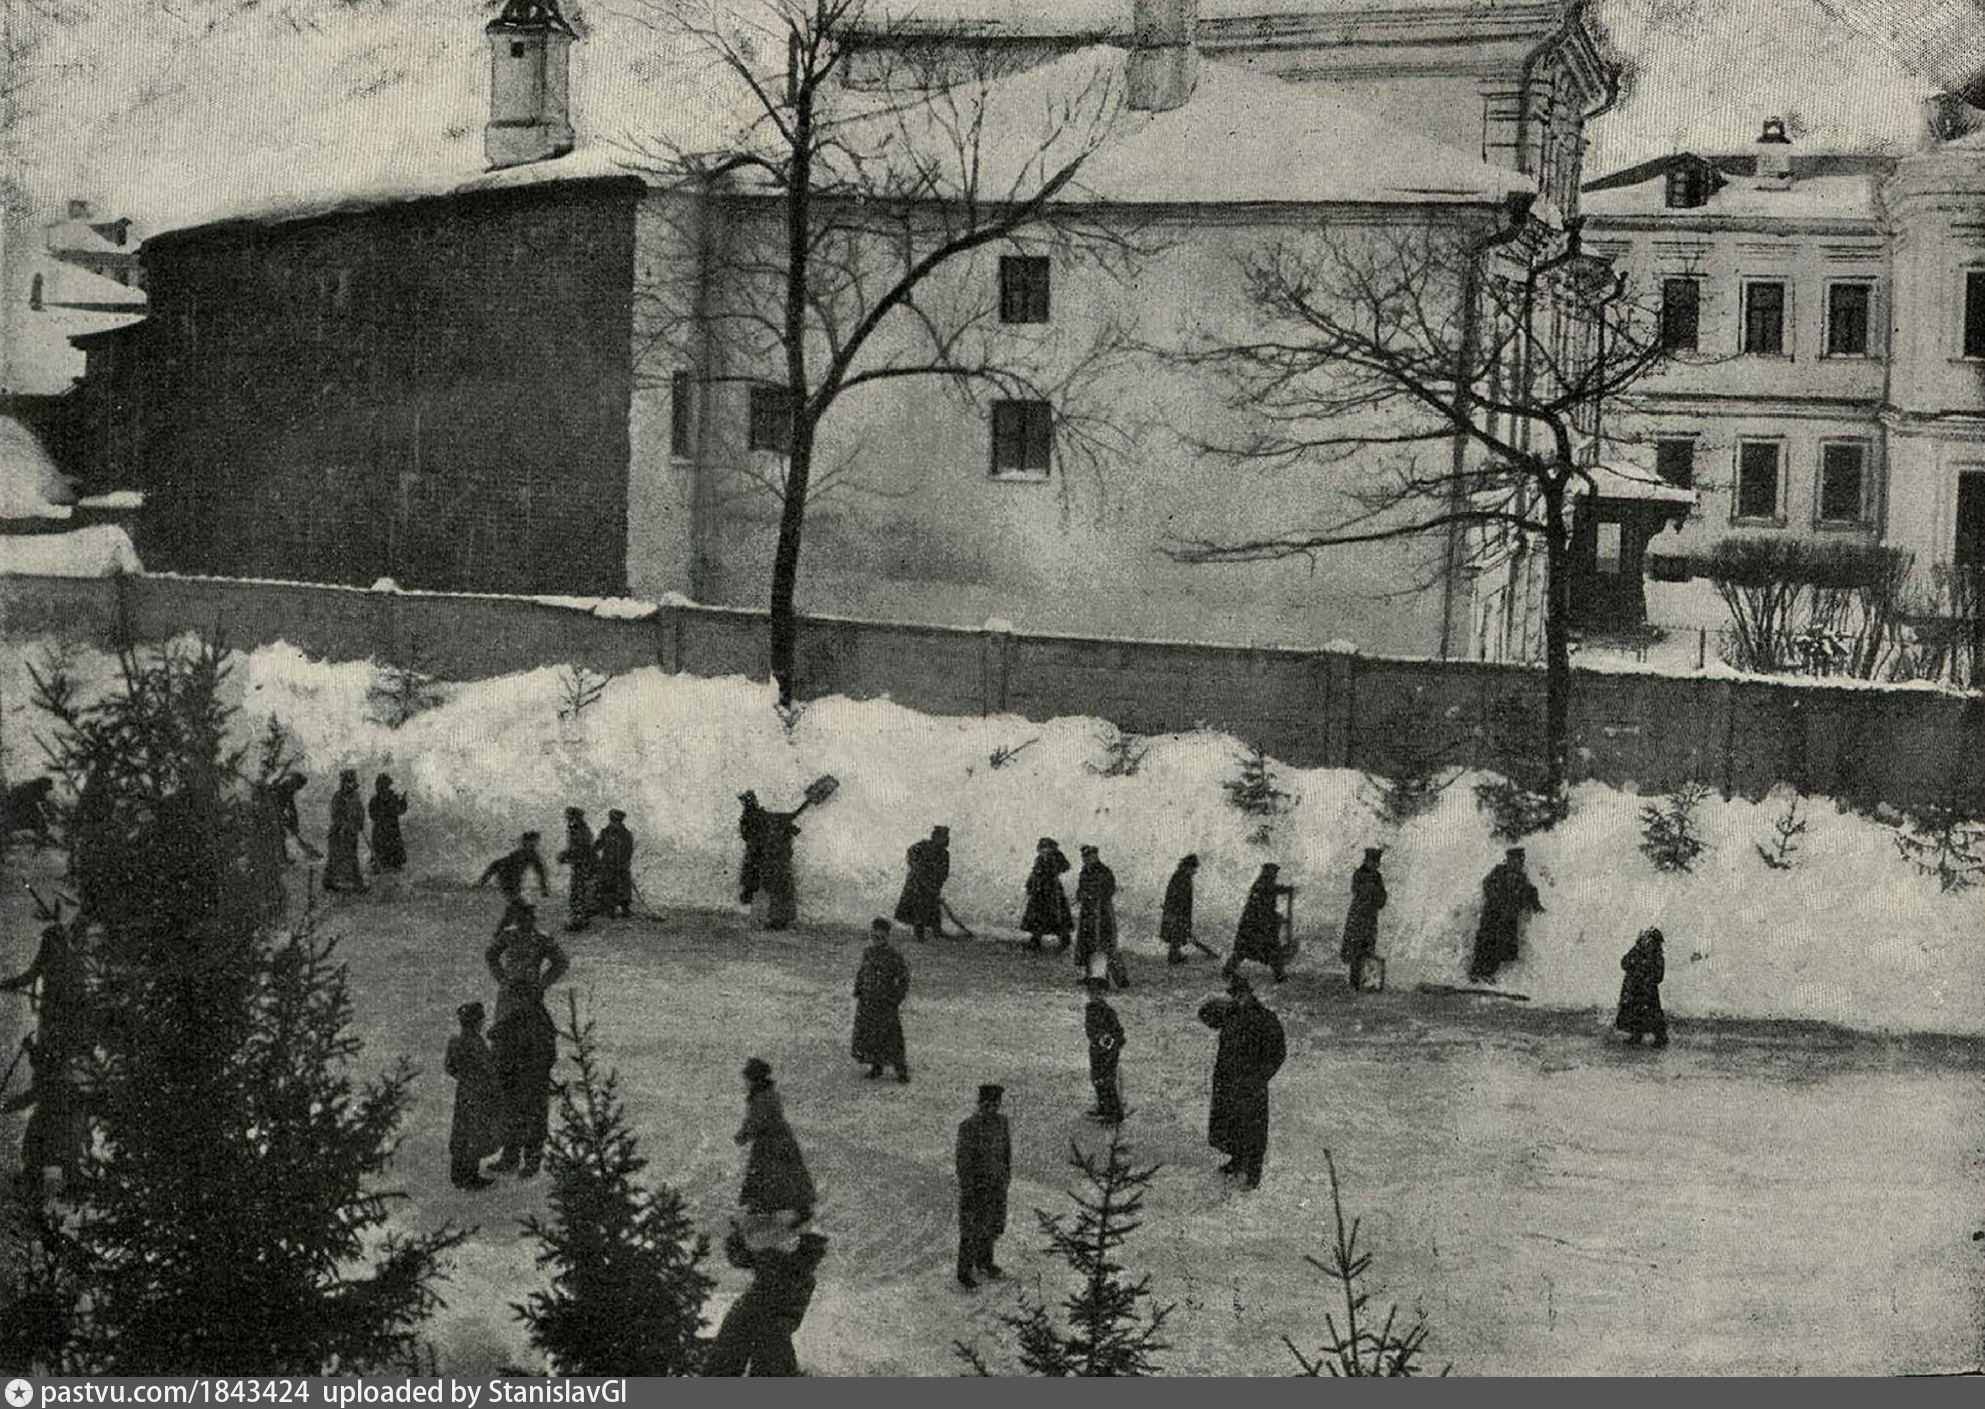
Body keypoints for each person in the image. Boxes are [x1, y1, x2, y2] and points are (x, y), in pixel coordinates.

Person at [484, 910, 570, 1177]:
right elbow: (491, 956)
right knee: (509, 1100)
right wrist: (504, 979)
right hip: (512, 1061)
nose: (522, 927)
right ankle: (510, 1155)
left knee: (532, 1105)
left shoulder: (536, 1013)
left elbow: (560, 962)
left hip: (531, 1067)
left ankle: (531, 1159)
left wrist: (541, 984)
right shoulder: (507, 1011)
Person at [704, 1213, 829, 1376]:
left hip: (762, 1325)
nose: (815, 1257)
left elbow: (742, 1258)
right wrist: (737, 1236)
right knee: (730, 1364)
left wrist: (737, 1237)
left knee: (733, 1364)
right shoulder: (789, 1267)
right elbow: (743, 1258)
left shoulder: (794, 1272)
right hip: (755, 1321)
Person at [1199, 974, 1287, 1190]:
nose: (1238, 999)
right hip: (1228, 1081)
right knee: (1230, 1124)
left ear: (1250, 994)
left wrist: (1261, 1075)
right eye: (1234, 995)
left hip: (1250, 1084)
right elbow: (1205, 1016)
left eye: (1241, 995)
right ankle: (1236, 1160)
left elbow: (1278, 1052)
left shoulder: (1265, 1018)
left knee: (1252, 1128)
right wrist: (1219, 1004)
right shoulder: (1231, 1014)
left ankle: (1253, 1173)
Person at [736, 1058, 816, 1222]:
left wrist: (744, 1134)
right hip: (777, 1139)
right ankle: (769, 1206)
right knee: (782, 1175)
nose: (746, 1083)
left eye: (748, 1079)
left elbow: (758, 1120)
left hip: (772, 1142)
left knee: (773, 1175)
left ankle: (767, 1207)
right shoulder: (764, 1094)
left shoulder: (762, 1097)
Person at [954, 1084, 1012, 1289]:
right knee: (971, 1229)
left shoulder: (1002, 1123)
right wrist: (968, 1187)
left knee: (992, 1225)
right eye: (987, 1105)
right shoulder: (968, 1126)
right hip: (976, 1187)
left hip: (996, 1184)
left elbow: (1006, 1153)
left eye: (995, 1105)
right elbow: (963, 1160)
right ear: (980, 1105)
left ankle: (985, 1261)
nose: (991, 1109)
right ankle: (964, 1272)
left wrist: (1005, 1177)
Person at [444, 1001, 504, 1189]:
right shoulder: (476, 1043)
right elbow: (489, 1070)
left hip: (464, 1092)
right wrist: (495, 1091)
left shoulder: (457, 1041)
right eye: (481, 1019)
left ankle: (457, 1174)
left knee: (462, 1132)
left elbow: (449, 1067)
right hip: (479, 1095)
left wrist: (464, 1078)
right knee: (474, 1134)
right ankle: (470, 1178)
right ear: (476, 1021)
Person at [1469, 846, 1544, 983]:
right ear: (1509, 860)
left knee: (1500, 948)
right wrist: (1498, 900)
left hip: (1507, 919)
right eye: (1516, 860)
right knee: (1485, 944)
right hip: (1492, 916)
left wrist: (1537, 907)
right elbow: (1487, 886)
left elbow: (1530, 892)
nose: (1519, 863)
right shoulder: (1498, 872)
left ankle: (1488, 975)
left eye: (1521, 860)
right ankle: (1475, 975)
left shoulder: (1522, 878)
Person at [851, 919, 911, 1082]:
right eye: (874, 937)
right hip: (868, 1001)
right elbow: (862, 971)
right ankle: (876, 1066)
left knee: (891, 1036)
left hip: (885, 1002)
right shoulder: (868, 952)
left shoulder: (894, 956)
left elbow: (904, 979)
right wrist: (859, 988)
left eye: (881, 938)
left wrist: (896, 998)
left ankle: (901, 1070)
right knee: (871, 1035)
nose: (877, 941)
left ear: (887, 937)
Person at [1225, 862, 1293, 984]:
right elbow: (1264, 906)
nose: (1275, 876)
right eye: (1273, 873)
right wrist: (1275, 917)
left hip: (1253, 925)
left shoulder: (1262, 884)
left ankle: (1228, 970)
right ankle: (1279, 975)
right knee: (1272, 951)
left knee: (1243, 951)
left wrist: (1284, 890)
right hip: (1259, 926)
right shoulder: (1264, 885)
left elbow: (1272, 890)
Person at [1074, 845, 1126, 988]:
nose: (1086, 860)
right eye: (1084, 857)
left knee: (1102, 943)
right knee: (1086, 943)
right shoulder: (1084, 872)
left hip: (1102, 912)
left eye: (1089, 857)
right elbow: (1080, 889)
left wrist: (1094, 896)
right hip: (1087, 913)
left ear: (1096, 856)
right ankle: (1088, 975)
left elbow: (1110, 889)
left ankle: (1101, 977)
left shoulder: (1104, 871)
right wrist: (1081, 895)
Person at [479, 832, 551, 933]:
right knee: (518, 905)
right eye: (530, 842)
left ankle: (505, 929)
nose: (533, 845)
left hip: (513, 882)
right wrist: (483, 880)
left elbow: (540, 872)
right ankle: (504, 930)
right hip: (506, 880)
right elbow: (496, 864)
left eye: (534, 842)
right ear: (524, 842)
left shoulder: (531, 854)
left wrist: (544, 887)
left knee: (517, 905)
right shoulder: (520, 854)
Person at [1340, 847, 1388, 992]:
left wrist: (1377, 897)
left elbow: (1382, 898)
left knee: (1368, 949)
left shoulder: (1377, 876)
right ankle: (1355, 983)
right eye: (1372, 862)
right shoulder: (1359, 874)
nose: (1374, 865)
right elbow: (1358, 891)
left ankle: (1365, 982)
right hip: (1358, 917)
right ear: (1367, 861)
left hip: (1370, 918)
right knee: (1355, 950)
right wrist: (1373, 893)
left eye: (1376, 863)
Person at [894, 825, 952, 942]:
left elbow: (944, 873)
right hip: (916, 885)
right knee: (918, 910)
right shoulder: (923, 846)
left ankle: (937, 933)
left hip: (931, 886)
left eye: (946, 837)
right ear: (935, 837)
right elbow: (910, 853)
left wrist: (936, 887)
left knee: (934, 910)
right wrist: (914, 866)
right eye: (942, 836)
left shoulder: (945, 854)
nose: (945, 839)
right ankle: (920, 936)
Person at [751, 803, 804, 931]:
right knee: (779, 887)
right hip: (777, 862)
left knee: (779, 887)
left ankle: (776, 919)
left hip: (777, 861)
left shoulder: (773, 829)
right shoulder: (775, 832)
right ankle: (776, 919)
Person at [1615, 927, 1669, 1047]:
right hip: (1635, 990)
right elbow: (1624, 963)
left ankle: (1660, 1037)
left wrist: (1648, 979)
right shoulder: (1637, 952)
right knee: (1634, 1013)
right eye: (1646, 940)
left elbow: (1659, 976)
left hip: (1647, 991)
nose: (1648, 943)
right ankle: (1636, 1035)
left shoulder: (1656, 956)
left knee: (1652, 1015)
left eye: (1650, 940)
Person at [1021, 837, 1073, 953]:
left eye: (1047, 848)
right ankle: (1036, 940)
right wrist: (1029, 885)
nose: (1044, 850)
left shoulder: (1056, 857)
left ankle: (1064, 939)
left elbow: (1065, 867)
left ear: (1051, 848)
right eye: (1042, 848)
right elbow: (1034, 873)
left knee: (1057, 916)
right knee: (1037, 916)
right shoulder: (1039, 859)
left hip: (1052, 892)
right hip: (1039, 892)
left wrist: (1054, 866)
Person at [1084, 983, 1126, 1125]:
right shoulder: (1090, 1010)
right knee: (1097, 1079)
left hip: (1108, 1052)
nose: (1095, 996)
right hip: (1096, 1051)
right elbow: (1090, 1031)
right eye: (1092, 993)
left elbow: (1119, 1033)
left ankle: (1114, 1113)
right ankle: (1103, 1107)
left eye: (1098, 993)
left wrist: (1110, 1042)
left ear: (1103, 994)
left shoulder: (1107, 1011)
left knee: (1107, 1081)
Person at [323, 768, 367, 893]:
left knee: (352, 857)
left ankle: (354, 883)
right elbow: (335, 814)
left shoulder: (356, 796)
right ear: (344, 782)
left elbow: (360, 811)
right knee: (336, 857)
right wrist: (342, 824)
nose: (351, 784)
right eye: (348, 782)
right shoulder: (338, 797)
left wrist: (360, 823)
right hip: (338, 833)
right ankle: (331, 882)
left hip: (351, 833)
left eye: (352, 782)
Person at [556, 807, 598, 932]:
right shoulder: (578, 829)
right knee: (578, 891)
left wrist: (565, 855)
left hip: (584, 865)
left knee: (579, 891)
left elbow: (579, 848)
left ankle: (578, 920)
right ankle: (578, 918)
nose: (567, 819)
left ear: (575, 817)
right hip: (581, 864)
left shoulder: (579, 830)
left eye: (568, 816)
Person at [593, 809, 636, 919]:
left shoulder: (626, 834)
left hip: (621, 866)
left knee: (623, 888)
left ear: (621, 821)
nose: (615, 823)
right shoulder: (606, 832)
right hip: (608, 866)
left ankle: (625, 909)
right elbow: (598, 846)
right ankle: (609, 910)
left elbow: (629, 851)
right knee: (608, 887)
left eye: (617, 821)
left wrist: (625, 863)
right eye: (613, 820)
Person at [1160, 854, 1200, 965]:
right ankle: (1174, 957)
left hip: (1177, 912)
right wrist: (1180, 916)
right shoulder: (1181, 878)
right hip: (1177, 913)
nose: (1195, 871)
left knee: (1176, 935)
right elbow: (1179, 899)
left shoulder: (1181, 877)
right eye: (1193, 868)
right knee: (1176, 935)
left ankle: (1175, 955)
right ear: (1187, 867)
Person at [367, 773, 410, 874]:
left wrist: (403, 801)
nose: (380, 787)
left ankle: (392, 867)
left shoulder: (393, 798)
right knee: (381, 850)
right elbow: (372, 815)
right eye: (379, 785)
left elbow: (400, 810)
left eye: (383, 785)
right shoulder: (375, 800)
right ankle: (381, 866)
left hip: (390, 830)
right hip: (382, 831)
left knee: (392, 851)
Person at [271, 772, 311, 860]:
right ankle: (280, 859)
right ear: (292, 782)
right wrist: (286, 820)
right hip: (270, 814)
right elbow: (275, 806)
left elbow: (292, 810)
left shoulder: (289, 791)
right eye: (297, 786)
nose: (296, 789)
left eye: (298, 788)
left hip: (277, 814)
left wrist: (294, 825)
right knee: (278, 834)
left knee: (281, 834)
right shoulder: (279, 789)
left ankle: (282, 858)